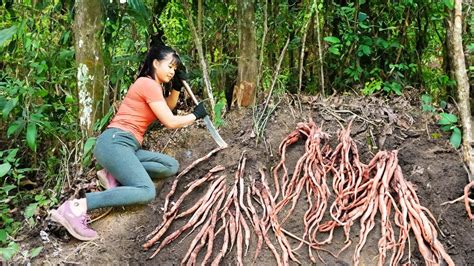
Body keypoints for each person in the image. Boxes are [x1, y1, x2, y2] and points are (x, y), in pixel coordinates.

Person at [49, 40, 208, 241]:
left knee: (170, 165)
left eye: (175, 70)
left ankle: (112, 173)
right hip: (115, 142)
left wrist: (176, 87)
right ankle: (76, 207)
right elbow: (170, 121)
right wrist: (195, 115)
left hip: (127, 146)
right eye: (169, 66)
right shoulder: (147, 84)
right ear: (156, 63)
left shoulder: (154, 87)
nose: (172, 72)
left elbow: (167, 108)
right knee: (146, 191)